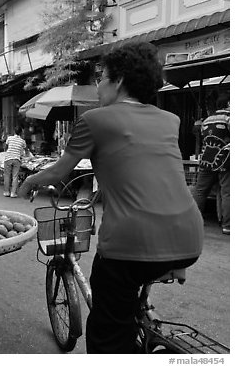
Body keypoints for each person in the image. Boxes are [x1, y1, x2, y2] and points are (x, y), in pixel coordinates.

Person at [19, 42, 203, 353]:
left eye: (101, 77)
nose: (98, 85)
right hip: (189, 240)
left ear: (118, 81)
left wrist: (28, 183)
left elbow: (57, 172)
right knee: (127, 304)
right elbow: (145, 168)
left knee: (108, 333)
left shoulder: (94, 120)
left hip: (131, 244)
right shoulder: (169, 120)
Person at [192, 95, 230, 235]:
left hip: (206, 159)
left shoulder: (207, 119)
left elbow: (204, 137)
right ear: (228, 103)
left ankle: (193, 221)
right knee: (227, 192)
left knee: (200, 191)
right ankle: (228, 225)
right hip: (225, 160)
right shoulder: (229, 117)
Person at [3, 126, 28, 197]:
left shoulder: (9, 138)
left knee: (7, 175)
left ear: (14, 132)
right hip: (17, 159)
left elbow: (6, 147)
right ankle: (13, 193)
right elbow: (26, 150)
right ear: (21, 133)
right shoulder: (22, 141)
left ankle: (6, 192)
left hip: (8, 158)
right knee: (15, 176)